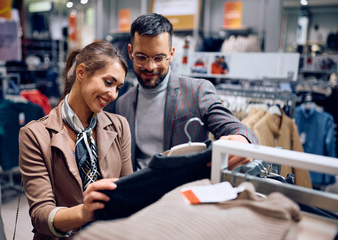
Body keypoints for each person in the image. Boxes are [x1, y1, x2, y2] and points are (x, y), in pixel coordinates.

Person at [19, 40, 132, 239]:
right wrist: (84, 212)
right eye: (108, 82)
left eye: (118, 87)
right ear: (81, 72)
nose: (113, 94)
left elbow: (127, 190)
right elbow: (40, 215)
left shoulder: (119, 126)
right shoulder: (35, 135)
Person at [115, 13, 258, 171]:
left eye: (159, 58)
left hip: (182, 192)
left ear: (171, 53)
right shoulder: (123, 103)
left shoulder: (196, 91)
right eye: (142, 57)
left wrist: (242, 139)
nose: (150, 66)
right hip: (140, 192)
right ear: (130, 52)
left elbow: (234, 128)